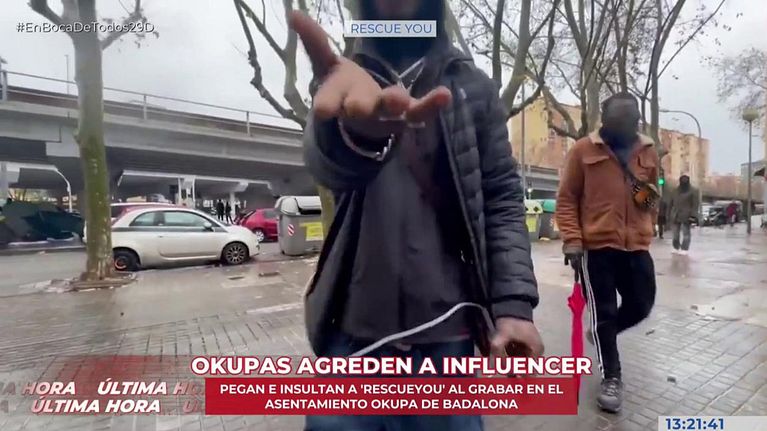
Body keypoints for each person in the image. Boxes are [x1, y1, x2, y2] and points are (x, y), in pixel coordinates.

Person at [292, 1, 542, 429]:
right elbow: (325, 165)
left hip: (448, 343)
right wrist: (356, 136)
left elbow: (501, 197)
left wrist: (514, 305)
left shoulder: (473, 88)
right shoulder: (342, 77)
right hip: (351, 339)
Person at [556, 92, 659, 414]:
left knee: (641, 304)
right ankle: (611, 377)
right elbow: (567, 199)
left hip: (636, 245)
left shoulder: (648, 151)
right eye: (619, 120)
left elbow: (653, 198)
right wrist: (572, 241)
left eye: (631, 120)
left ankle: (603, 333)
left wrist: (647, 213)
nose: (627, 126)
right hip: (596, 248)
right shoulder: (582, 150)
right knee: (604, 311)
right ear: (605, 118)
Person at [667, 175, 699, 255]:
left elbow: (695, 205)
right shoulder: (675, 191)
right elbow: (670, 203)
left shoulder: (693, 191)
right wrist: (668, 214)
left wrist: (693, 216)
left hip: (687, 215)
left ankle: (685, 248)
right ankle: (676, 247)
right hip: (675, 215)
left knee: (686, 233)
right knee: (675, 234)